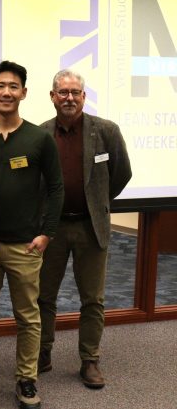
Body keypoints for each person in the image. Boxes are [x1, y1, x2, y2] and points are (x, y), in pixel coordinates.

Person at [0, 61, 64, 409]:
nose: (6, 92)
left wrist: (47, 234)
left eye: (14, 86)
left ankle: (26, 378)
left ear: (23, 92)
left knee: (28, 316)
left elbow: (55, 188)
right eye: (0, 86)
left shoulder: (39, 138)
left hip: (26, 243)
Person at [38, 69, 132, 388]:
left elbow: (121, 174)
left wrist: (96, 201)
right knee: (43, 296)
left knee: (93, 299)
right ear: (52, 96)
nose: (69, 98)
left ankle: (89, 360)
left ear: (83, 96)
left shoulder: (106, 131)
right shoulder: (41, 134)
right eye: (62, 92)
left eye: (75, 92)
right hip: (52, 230)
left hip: (91, 227)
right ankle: (42, 353)